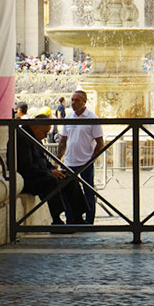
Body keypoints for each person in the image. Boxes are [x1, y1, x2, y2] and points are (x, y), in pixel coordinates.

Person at [57, 89, 102, 225]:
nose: (73, 103)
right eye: (72, 100)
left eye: (77, 100)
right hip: (70, 161)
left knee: (89, 192)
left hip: (85, 161)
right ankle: (72, 219)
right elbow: (63, 140)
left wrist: (91, 159)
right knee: (69, 192)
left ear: (84, 102)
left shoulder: (92, 119)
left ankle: (89, 221)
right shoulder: (69, 117)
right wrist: (58, 159)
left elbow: (100, 142)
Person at [15, 112, 68, 225]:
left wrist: (54, 170)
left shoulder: (35, 135)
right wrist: (49, 172)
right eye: (45, 132)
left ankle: (77, 216)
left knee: (68, 177)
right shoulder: (23, 138)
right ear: (34, 127)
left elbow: (43, 159)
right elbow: (27, 167)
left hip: (40, 173)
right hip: (29, 178)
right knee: (51, 181)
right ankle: (57, 219)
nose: (45, 136)